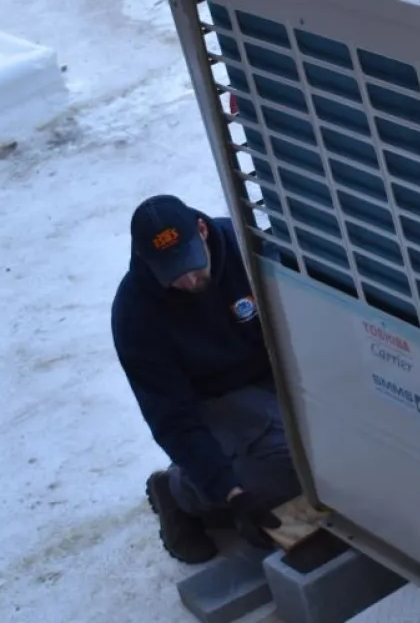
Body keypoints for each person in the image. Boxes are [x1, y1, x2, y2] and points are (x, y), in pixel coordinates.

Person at [112, 195, 301, 563]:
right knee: (289, 471)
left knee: (331, 457)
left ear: (202, 231)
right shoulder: (134, 315)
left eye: (191, 263)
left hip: (277, 373)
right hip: (213, 401)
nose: (187, 279)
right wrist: (231, 494)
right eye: (172, 274)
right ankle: (178, 491)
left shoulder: (247, 247)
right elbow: (172, 417)